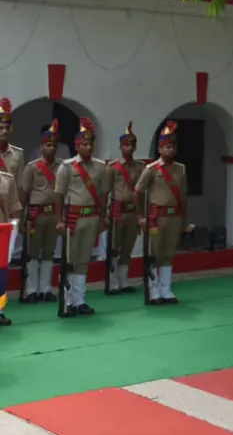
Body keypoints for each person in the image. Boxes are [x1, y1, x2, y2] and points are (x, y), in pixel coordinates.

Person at [54, 118, 107, 317]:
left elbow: (102, 195)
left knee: (84, 260)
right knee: (70, 260)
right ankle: (67, 302)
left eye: (90, 143)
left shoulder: (100, 167)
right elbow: (58, 194)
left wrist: (103, 217)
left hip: (91, 217)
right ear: (76, 145)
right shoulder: (66, 167)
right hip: (73, 218)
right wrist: (59, 219)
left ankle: (80, 300)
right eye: (83, 143)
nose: (87, 147)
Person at [135, 121, 189, 304]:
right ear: (159, 148)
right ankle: (153, 289)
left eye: (173, 147)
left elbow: (183, 195)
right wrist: (141, 216)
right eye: (167, 147)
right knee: (154, 253)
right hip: (156, 217)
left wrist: (184, 219)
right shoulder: (151, 169)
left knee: (168, 253)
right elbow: (138, 191)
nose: (171, 150)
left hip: (174, 216)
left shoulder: (180, 169)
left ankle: (166, 289)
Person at [19, 122, 61, 302]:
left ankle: (45, 289)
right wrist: (23, 218)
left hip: (53, 214)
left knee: (49, 252)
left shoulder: (62, 167)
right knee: (33, 253)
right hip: (36, 214)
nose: (51, 148)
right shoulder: (32, 167)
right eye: (48, 145)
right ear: (41, 146)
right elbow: (24, 193)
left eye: (54, 145)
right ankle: (31, 290)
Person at [106, 122, 144, 294]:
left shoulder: (140, 167)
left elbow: (142, 192)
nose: (129, 148)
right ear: (120, 147)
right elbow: (106, 190)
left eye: (132, 145)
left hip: (132, 210)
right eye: (126, 145)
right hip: (117, 210)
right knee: (114, 246)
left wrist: (140, 214)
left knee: (128, 247)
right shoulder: (113, 167)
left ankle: (124, 279)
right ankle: (112, 281)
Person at [0, 163, 22, 327]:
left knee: (0, 275)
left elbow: (14, 208)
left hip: (2, 232)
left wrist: (13, 232)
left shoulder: (7, 180)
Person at [0, 97, 23, 184]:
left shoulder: (18, 154)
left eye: (7, 128)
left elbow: (19, 184)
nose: (5, 131)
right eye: (1, 128)